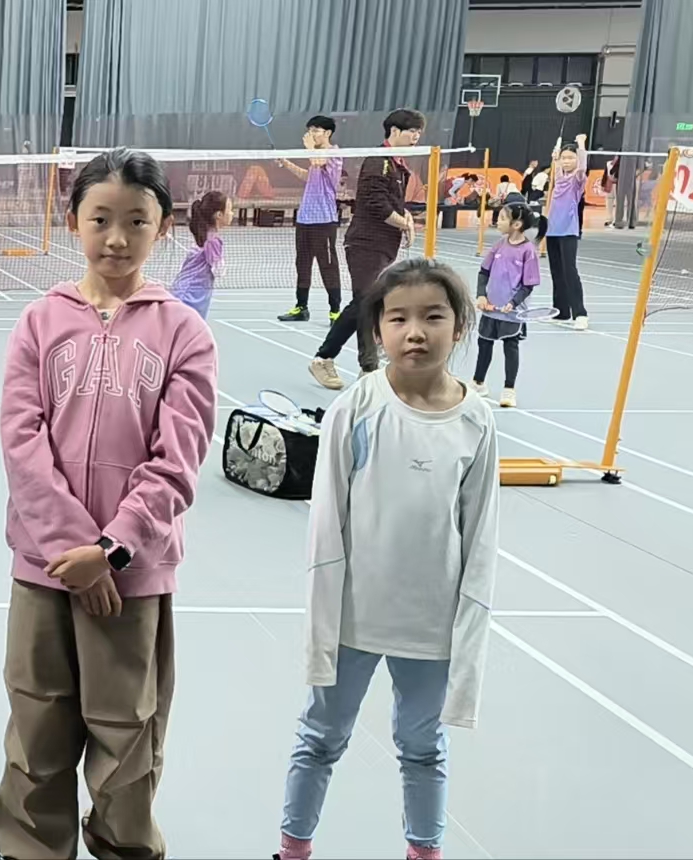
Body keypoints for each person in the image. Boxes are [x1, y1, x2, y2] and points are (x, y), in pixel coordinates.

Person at [0, 147, 219, 860]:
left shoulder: (185, 333)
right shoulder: (38, 322)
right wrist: (74, 551)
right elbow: (21, 440)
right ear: (73, 222)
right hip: (47, 569)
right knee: (37, 729)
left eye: (136, 221)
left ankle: (125, 848)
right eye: (100, 219)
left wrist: (112, 550)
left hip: (133, 578)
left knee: (127, 738)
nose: (117, 238)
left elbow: (178, 460)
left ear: (163, 227)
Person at [275, 258, 499, 860]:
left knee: (422, 749)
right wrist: (322, 623)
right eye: (398, 318)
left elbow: (480, 535)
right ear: (377, 329)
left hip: (431, 625)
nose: (415, 332)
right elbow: (327, 524)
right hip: (353, 618)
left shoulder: (476, 420)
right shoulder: (356, 407)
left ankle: (424, 851)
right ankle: (293, 848)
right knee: (320, 737)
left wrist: (467, 631)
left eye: (433, 317)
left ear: (459, 327)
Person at [309, 109, 423, 391]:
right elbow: (374, 202)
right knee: (367, 303)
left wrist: (406, 219)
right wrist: (403, 224)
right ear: (394, 131)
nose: (416, 137)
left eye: (419, 133)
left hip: (384, 246)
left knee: (363, 303)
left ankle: (324, 359)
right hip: (365, 244)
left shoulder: (397, 165)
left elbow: (394, 203)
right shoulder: (378, 161)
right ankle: (368, 368)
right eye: (412, 132)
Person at [275, 117, 344, 322]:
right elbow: (309, 176)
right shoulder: (315, 155)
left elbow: (318, 161)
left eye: (316, 130)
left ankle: (335, 311)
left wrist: (309, 147)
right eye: (309, 131)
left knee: (328, 266)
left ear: (328, 133)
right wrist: (286, 163)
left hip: (324, 220)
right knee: (302, 265)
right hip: (305, 219)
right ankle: (301, 307)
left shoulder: (334, 153)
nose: (311, 134)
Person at [474, 203, 540, 408]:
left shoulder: (528, 251)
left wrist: (513, 303)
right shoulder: (499, 245)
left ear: (517, 224)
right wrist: (481, 295)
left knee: (510, 347)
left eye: (502, 218)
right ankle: (478, 383)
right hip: (491, 309)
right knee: (484, 344)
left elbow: (528, 285)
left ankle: (509, 390)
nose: (498, 222)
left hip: (512, 313)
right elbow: (484, 272)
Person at [543, 136, 589, 329]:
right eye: (564, 158)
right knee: (557, 271)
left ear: (577, 159)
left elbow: (583, 167)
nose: (567, 161)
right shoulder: (559, 177)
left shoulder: (577, 179)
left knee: (570, 271)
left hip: (568, 230)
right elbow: (556, 165)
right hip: (552, 230)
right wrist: (555, 157)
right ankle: (561, 311)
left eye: (571, 158)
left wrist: (581, 144)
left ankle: (580, 314)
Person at [173, 191, 229, 319]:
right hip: (190, 295)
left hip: (189, 292)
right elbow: (218, 271)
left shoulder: (206, 236)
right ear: (219, 215)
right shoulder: (213, 240)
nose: (232, 214)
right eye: (230, 210)